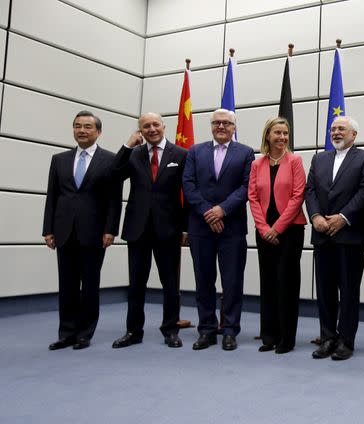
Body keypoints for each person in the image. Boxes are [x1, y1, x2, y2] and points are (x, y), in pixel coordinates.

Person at [43, 110, 122, 350]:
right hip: (64, 230)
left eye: (88, 127)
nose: (82, 130)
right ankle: (66, 332)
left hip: (95, 232)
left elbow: (114, 199)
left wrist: (110, 229)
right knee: (66, 284)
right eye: (78, 126)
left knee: (89, 284)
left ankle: (84, 333)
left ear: (98, 132)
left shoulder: (110, 160)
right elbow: (52, 196)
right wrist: (48, 229)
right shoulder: (59, 159)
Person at [110, 112, 187, 349]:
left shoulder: (181, 155)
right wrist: (126, 145)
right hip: (137, 228)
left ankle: (170, 330)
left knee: (170, 284)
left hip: (169, 229)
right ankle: (133, 331)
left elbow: (188, 193)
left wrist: (186, 228)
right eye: (146, 126)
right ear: (140, 130)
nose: (151, 129)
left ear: (164, 126)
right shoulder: (133, 154)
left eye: (155, 124)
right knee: (136, 283)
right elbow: (113, 175)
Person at [182, 109, 254, 351]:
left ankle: (230, 330)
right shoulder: (195, 151)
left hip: (232, 227)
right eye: (217, 123)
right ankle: (207, 330)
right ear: (211, 126)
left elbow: (246, 187)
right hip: (200, 227)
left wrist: (222, 210)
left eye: (226, 123)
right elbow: (188, 184)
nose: (221, 126)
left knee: (232, 281)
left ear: (234, 127)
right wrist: (208, 212)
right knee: (204, 280)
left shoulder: (245, 153)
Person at [305, 116, 364, 361]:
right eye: (333, 129)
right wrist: (315, 216)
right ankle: (327, 338)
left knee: (349, 291)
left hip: (350, 236)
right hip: (322, 234)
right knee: (324, 291)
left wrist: (343, 217)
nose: (335, 133)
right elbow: (309, 190)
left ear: (354, 134)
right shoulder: (319, 158)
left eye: (341, 129)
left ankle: (346, 340)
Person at [248, 116, 307, 354]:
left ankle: (286, 338)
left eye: (285, 133)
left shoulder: (295, 161)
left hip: (290, 231)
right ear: (268, 136)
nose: (282, 137)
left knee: (287, 283)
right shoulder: (257, 164)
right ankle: (269, 335)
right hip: (264, 232)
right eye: (278, 133)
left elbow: (297, 196)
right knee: (268, 282)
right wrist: (263, 228)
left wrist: (277, 228)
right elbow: (252, 197)